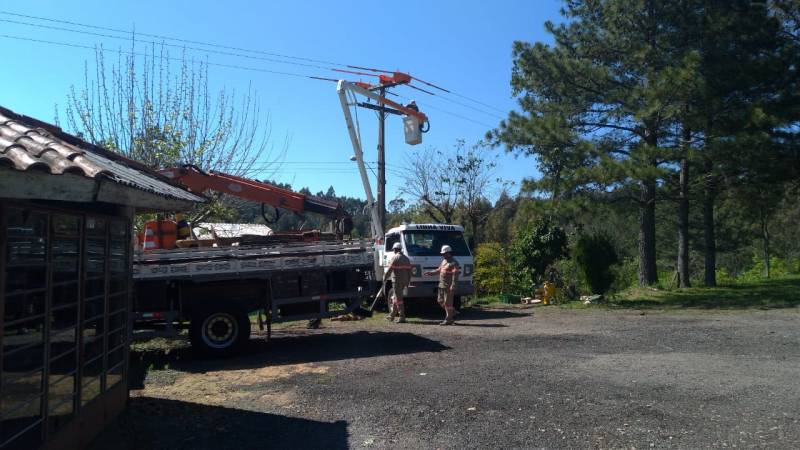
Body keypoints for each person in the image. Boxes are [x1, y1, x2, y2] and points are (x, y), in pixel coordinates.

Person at [425, 245, 460, 325]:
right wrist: (431, 273)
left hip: (448, 286)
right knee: (440, 300)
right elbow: (439, 270)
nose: (443, 255)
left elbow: (455, 276)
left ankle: (448, 319)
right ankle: (453, 312)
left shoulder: (454, 263)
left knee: (448, 303)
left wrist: (453, 285)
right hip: (441, 285)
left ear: (449, 253)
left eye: (444, 253)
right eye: (442, 253)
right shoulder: (444, 261)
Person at [384, 242, 412, 323]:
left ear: (395, 249)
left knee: (398, 299)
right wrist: (408, 281)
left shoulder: (395, 257)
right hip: (404, 281)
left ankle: (402, 316)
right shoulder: (406, 258)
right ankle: (392, 315)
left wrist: (385, 278)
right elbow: (409, 271)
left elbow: (390, 269)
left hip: (397, 281)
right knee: (396, 298)